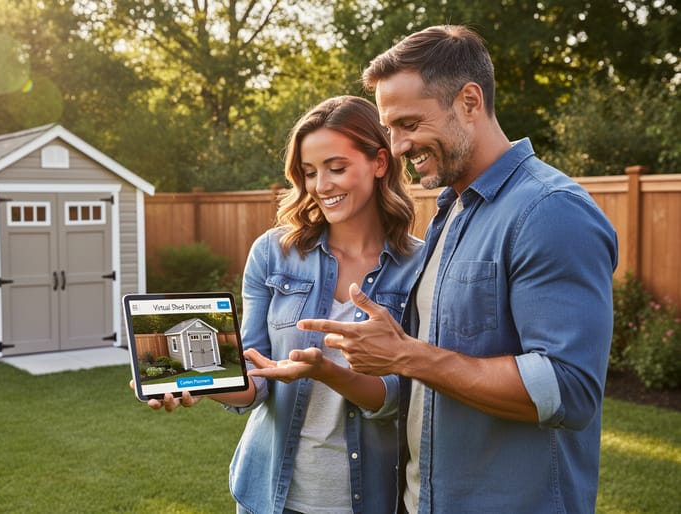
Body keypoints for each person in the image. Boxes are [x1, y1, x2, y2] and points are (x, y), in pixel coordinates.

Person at [297, 26, 619, 514]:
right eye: (390, 128)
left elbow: (568, 389)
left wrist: (406, 355)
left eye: (408, 123)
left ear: (469, 101)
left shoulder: (550, 211)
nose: (398, 146)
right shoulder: (453, 211)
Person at [138, 95, 424, 514]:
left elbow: (404, 397)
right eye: (309, 172)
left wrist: (327, 373)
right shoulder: (273, 253)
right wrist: (200, 385)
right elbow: (257, 376)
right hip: (270, 496)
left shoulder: (418, 266)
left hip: (367, 499)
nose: (321, 185)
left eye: (336, 167)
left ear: (380, 162)